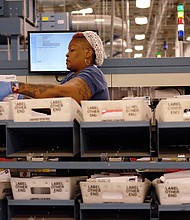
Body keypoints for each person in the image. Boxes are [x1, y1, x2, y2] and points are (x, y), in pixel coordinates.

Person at [0, 31, 110, 104]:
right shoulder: (71, 76)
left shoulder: (93, 74)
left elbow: (63, 92)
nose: (67, 54)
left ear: (88, 53)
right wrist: (20, 99)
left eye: (72, 50)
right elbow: (53, 103)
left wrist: (15, 86)